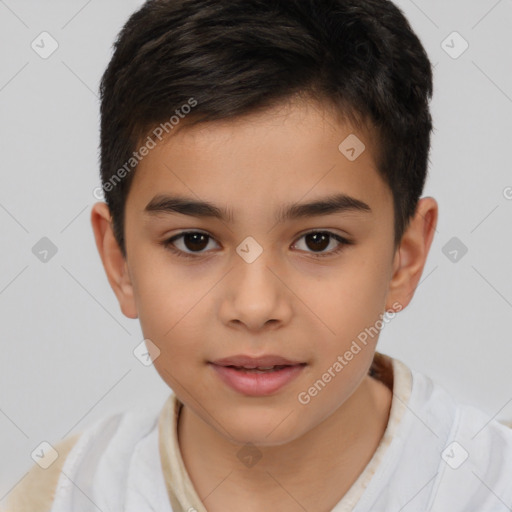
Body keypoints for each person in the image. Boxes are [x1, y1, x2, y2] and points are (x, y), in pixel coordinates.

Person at [5, 0, 512, 511]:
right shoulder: (63, 496)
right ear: (120, 262)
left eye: (319, 241)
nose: (254, 306)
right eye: (194, 241)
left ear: (405, 258)